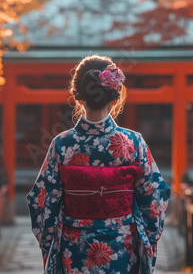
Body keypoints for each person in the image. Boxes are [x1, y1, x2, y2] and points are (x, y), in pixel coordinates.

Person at [26, 55, 171, 274]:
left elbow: (41, 202)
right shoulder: (134, 143)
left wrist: (52, 243)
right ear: (115, 97)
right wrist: (142, 239)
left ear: (78, 98)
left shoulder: (62, 144)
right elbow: (155, 198)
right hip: (122, 250)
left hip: (75, 251)